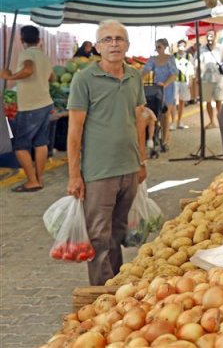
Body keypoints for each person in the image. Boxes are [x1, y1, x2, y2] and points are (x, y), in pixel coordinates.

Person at [66, 20, 147, 285]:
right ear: (98, 47)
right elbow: (74, 131)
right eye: (108, 40)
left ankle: (116, 287)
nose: (114, 44)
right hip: (99, 172)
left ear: (127, 45)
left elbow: (139, 120)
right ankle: (101, 295)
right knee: (99, 238)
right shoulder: (84, 79)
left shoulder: (134, 76)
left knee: (118, 234)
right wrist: (74, 175)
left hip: (129, 167)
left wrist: (142, 160)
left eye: (119, 39)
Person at [0, 25, 54, 192]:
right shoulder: (44, 56)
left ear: (22, 40)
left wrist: (9, 76)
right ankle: (39, 178)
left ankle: (32, 181)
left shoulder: (27, 54)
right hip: (45, 103)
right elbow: (52, 77)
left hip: (31, 106)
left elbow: (28, 69)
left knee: (21, 146)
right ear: (38, 40)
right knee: (40, 143)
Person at [141, 39, 178, 149]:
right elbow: (145, 70)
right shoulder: (153, 59)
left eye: (159, 47)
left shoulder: (170, 59)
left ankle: (165, 140)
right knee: (157, 113)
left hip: (168, 88)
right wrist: (140, 79)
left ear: (165, 47)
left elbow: (174, 74)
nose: (157, 49)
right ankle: (158, 137)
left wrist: (165, 84)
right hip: (156, 89)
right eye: (156, 47)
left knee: (165, 115)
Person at [198, 29, 223, 128]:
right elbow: (198, 63)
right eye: (208, 36)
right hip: (206, 78)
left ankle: (221, 121)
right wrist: (197, 76)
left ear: (215, 37)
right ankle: (212, 121)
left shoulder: (221, 48)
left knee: (218, 100)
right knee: (208, 101)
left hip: (219, 78)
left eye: (211, 36)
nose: (209, 38)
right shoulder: (202, 49)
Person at [172, 39, 193, 129]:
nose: (182, 47)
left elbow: (191, 70)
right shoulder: (173, 56)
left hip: (184, 81)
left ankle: (180, 121)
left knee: (182, 101)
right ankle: (173, 121)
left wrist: (190, 81)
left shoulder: (189, 56)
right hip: (174, 81)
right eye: (180, 45)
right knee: (173, 101)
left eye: (183, 45)